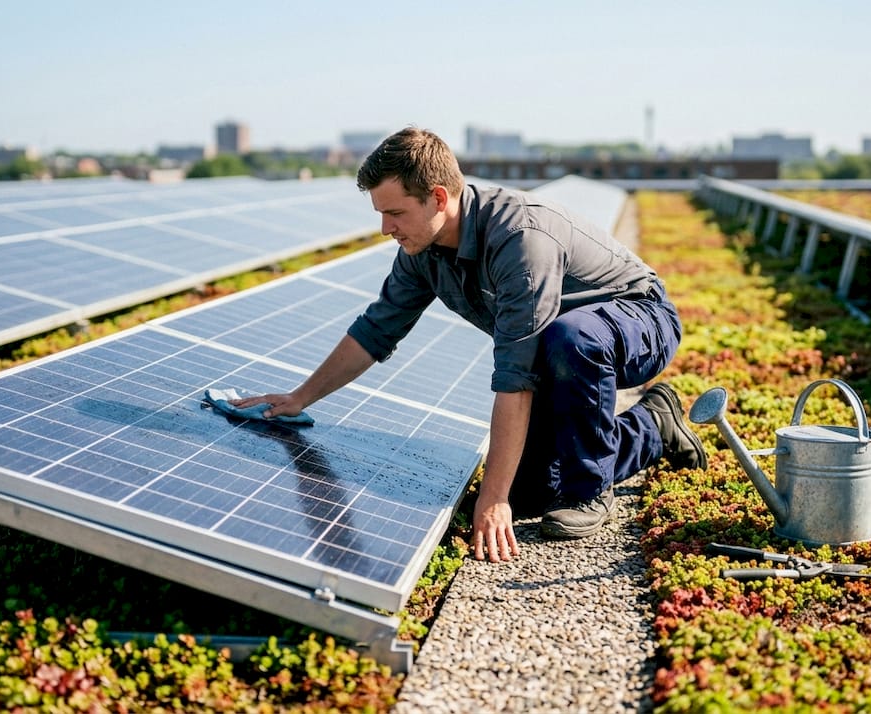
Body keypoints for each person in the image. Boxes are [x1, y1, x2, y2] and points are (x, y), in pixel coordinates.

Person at [233, 127, 706, 562]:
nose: (386, 229)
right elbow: (375, 331)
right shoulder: (421, 251)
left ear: (438, 197)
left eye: (395, 212)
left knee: (569, 341)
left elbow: (517, 375)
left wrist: (492, 497)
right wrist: (299, 397)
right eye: (381, 214)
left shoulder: (519, 238)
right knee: (533, 494)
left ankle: (590, 491)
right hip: (558, 350)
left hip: (637, 321)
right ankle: (653, 425)